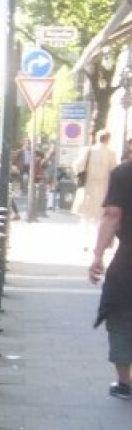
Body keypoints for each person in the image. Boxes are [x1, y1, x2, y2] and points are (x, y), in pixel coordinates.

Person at [90, 149, 132, 400]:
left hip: (129, 261)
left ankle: (124, 382)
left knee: (121, 315)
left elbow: (113, 216)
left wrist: (98, 255)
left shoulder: (125, 173)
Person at [74, 130, 118, 250]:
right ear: (108, 139)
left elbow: (78, 166)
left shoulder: (87, 150)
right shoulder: (111, 153)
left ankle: (84, 243)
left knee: (86, 218)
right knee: (99, 218)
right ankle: (96, 244)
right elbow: (114, 170)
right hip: (104, 188)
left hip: (88, 187)